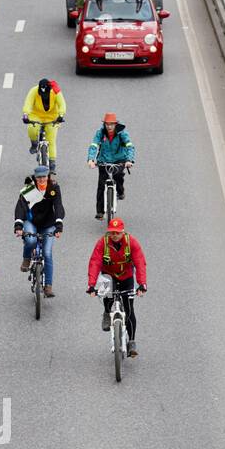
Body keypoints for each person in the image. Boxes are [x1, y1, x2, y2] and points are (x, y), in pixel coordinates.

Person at [87, 217, 147, 359]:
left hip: (126, 276)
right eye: (112, 232)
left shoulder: (131, 242)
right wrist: (91, 285)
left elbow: (140, 262)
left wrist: (142, 283)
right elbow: (94, 262)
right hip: (107, 275)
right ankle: (107, 312)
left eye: (117, 232)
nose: (114, 235)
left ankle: (131, 342)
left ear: (123, 232)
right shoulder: (103, 242)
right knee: (106, 297)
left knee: (129, 309)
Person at [14, 165, 64, 298]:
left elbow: (58, 206)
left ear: (48, 177)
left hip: (48, 224)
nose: (41, 179)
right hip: (31, 222)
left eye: (44, 177)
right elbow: (20, 207)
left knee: (47, 253)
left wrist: (58, 226)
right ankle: (26, 258)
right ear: (35, 178)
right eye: (39, 177)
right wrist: (18, 226)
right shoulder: (29, 189)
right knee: (30, 240)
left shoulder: (53, 188)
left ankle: (48, 286)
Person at [87, 112, 135, 214]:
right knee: (101, 185)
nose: (109, 126)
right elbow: (94, 145)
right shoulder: (100, 132)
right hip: (104, 161)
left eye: (111, 124)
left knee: (118, 176)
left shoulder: (122, 133)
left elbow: (129, 146)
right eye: (107, 124)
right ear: (104, 124)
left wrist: (129, 160)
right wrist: (91, 159)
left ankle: (120, 191)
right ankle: (100, 212)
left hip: (119, 160)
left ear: (115, 124)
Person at [23, 77, 66, 172]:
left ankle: (52, 162)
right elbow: (28, 103)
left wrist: (61, 115)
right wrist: (25, 114)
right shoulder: (33, 91)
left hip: (52, 117)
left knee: (51, 139)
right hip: (36, 115)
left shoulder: (55, 91)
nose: (44, 96)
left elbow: (62, 104)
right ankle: (34, 144)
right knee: (32, 128)